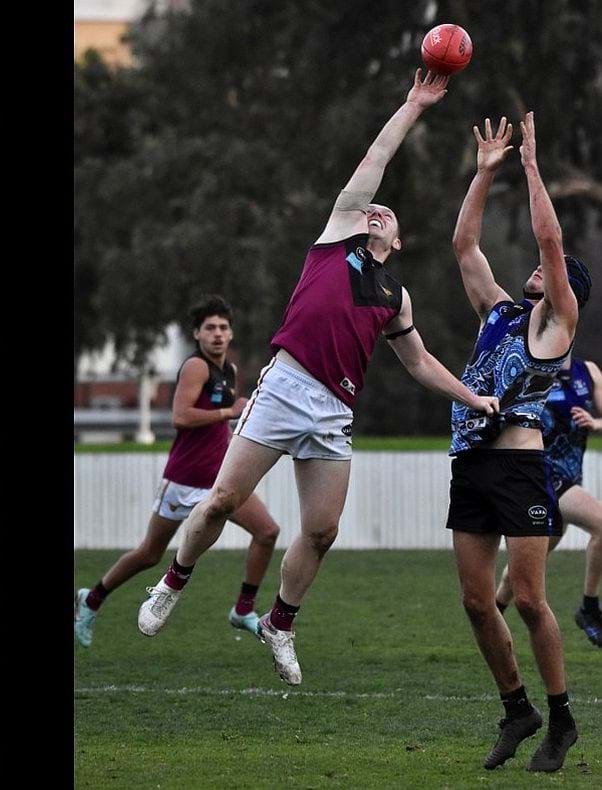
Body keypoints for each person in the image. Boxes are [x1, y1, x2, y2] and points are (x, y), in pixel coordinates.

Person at [136, 70, 499, 687]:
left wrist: (471, 396)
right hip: (285, 386)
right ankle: (173, 581)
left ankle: (280, 621)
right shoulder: (337, 236)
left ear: (399, 239)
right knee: (222, 500)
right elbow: (377, 156)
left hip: (333, 411)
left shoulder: (396, 297)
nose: (378, 211)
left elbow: (418, 363)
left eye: (389, 216)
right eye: (371, 209)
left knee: (322, 530)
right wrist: (413, 105)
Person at [448, 113, 588, 772]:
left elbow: (551, 238)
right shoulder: (501, 312)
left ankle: (561, 721)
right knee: (478, 602)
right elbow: (464, 245)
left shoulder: (558, 323)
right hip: (470, 465)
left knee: (528, 600)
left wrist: (531, 166)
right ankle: (517, 710)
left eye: (548, 268)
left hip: (521, 470)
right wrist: (483, 174)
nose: (536, 266)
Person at [74, 295, 282, 647]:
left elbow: (223, 423)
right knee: (150, 554)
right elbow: (181, 417)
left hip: (218, 481)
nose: (217, 334)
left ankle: (243, 609)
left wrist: (235, 441)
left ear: (231, 334)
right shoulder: (195, 367)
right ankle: (90, 600)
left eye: (223, 328)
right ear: (197, 334)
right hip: (183, 480)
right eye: (210, 328)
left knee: (267, 531)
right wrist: (228, 413)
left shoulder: (229, 370)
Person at [494, 355, 602, 648]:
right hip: (540, 473)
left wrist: (595, 422)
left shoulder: (588, 372)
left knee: (524, 567)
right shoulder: (528, 366)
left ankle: (493, 614)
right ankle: (589, 609)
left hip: (570, 477)